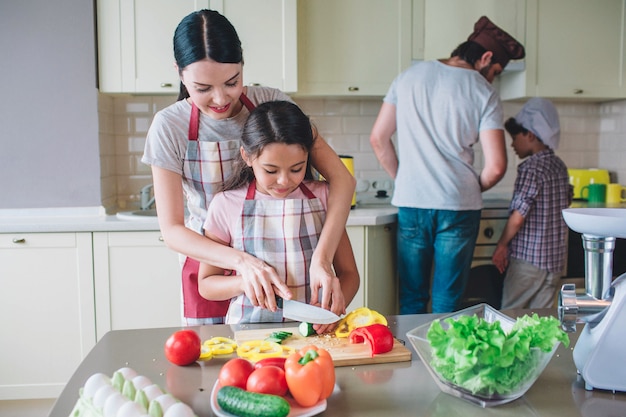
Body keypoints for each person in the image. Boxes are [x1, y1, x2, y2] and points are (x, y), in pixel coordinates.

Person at [142, 10, 356, 325]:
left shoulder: (272, 104)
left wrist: (322, 260)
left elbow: (341, 180)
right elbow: (172, 231)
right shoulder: (169, 126)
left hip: (286, 259)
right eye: (202, 88)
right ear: (179, 73)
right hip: (211, 264)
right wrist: (243, 264)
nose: (220, 98)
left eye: (232, 82)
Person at [369, 16, 525, 314]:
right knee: (447, 301)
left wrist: (405, 179)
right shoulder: (484, 92)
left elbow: (378, 139)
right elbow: (496, 167)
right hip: (459, 205)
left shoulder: (408, 77)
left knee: (412, 296)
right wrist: (471, 185)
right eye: (495, 71)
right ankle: (445, 361)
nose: (492, 78)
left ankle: (411, 359)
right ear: (486, 57)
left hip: (413, 201)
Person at [197, 101, 360, 331]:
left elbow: (349, 273)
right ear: (247, 156)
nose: (284, 181)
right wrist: (244, 282)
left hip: (312, 332)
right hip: (249, 333)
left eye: (296, 168)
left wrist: (332, 308)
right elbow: (206, 284)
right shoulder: (226, 204)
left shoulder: (324, 198)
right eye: (271, 170)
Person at [492, 98, 573, 309]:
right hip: (555, 263)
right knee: (541, 322)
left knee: (509, 317)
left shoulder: (531, 169)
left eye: (515, 137)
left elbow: (518, 217)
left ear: (530, 134)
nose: (512, 144)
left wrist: (501, 246)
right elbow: (567, 199)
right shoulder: (559, 166)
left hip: (528, 262)